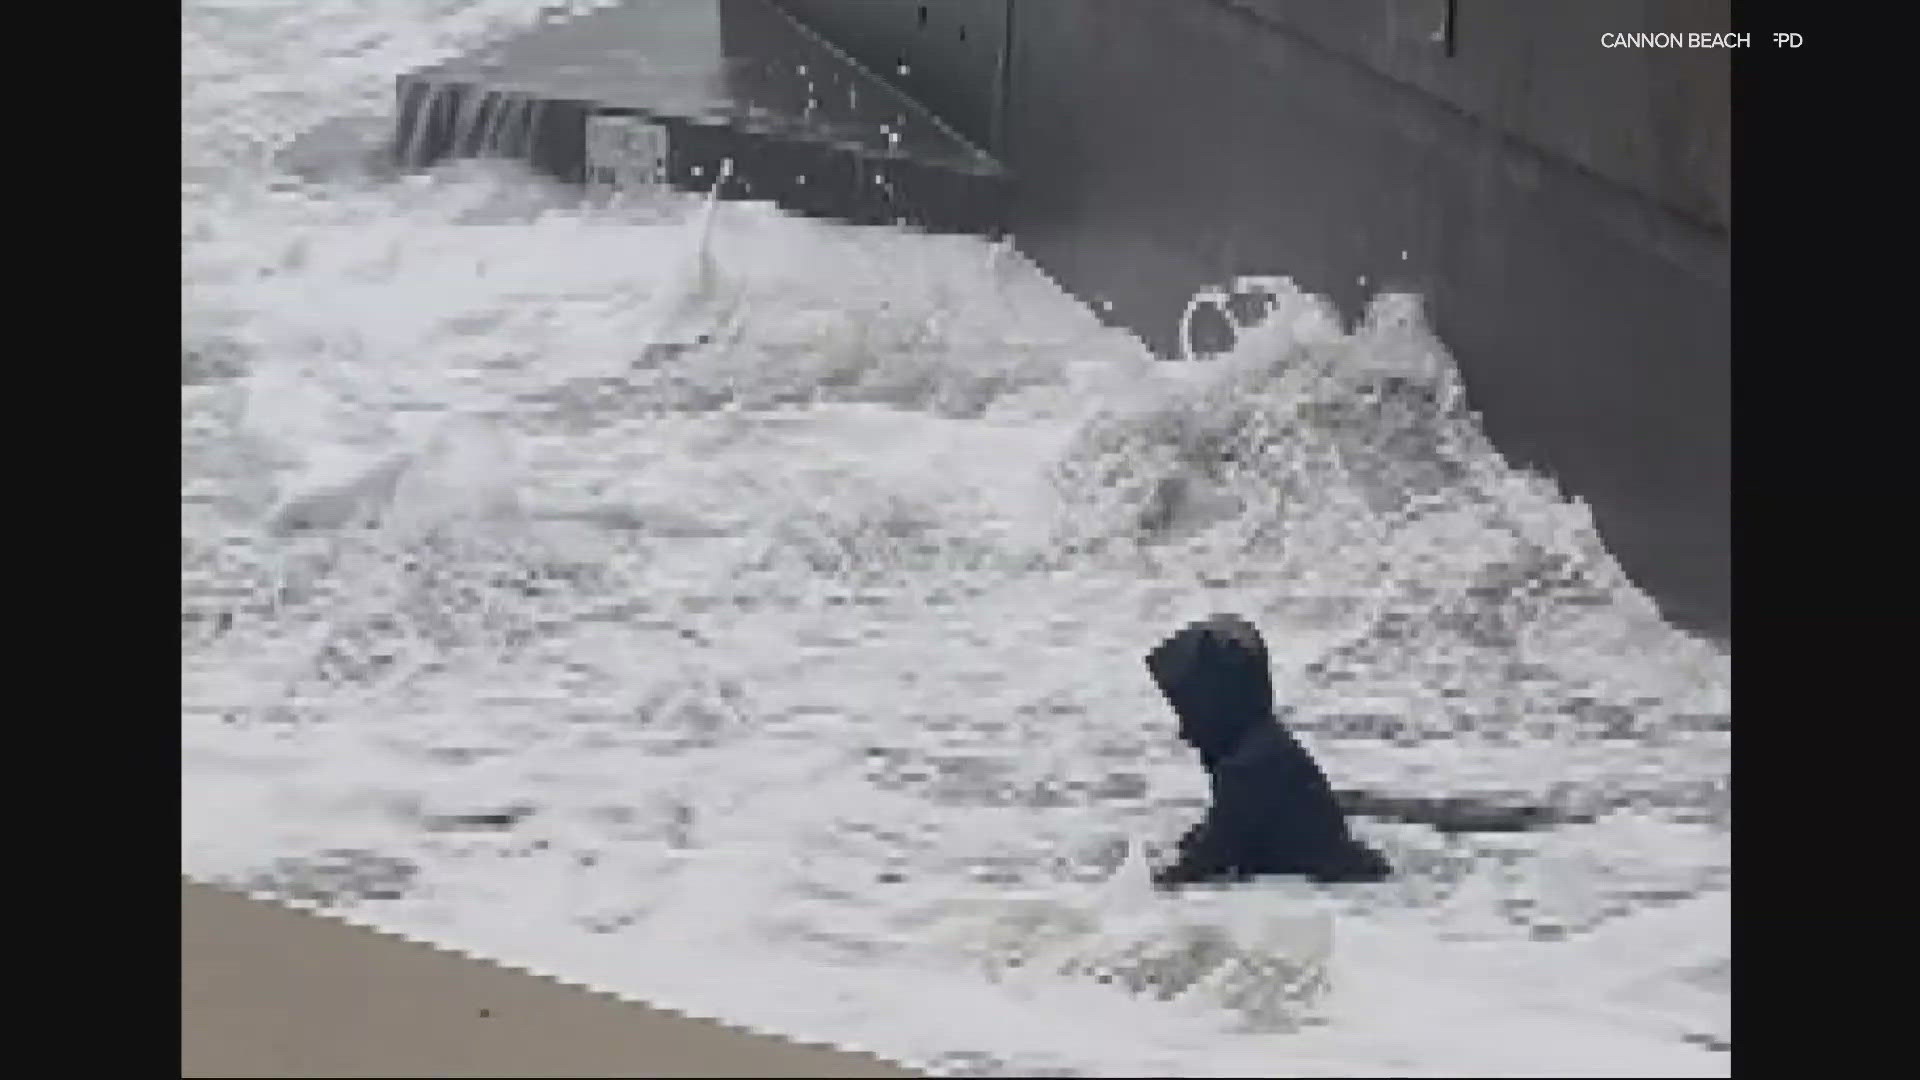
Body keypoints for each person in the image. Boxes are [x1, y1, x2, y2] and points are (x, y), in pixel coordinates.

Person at [1147, 614, 1392, 888]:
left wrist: (1153, 885)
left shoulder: (1250, 767)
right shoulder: (1264, 747)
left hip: (1343, 890)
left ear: (1218, 705)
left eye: (1190, 714)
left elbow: (1209, 858)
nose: (1185, 733)